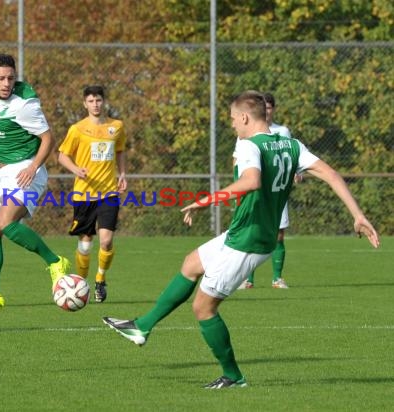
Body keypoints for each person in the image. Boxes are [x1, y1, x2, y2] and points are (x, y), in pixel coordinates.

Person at [102, 90, 379, 389]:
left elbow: (251, 181)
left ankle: (233, 376)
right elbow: (332, 174)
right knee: (191, 263)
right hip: (248, 231)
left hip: (250, 239)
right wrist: (358, 215)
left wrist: (205, 200)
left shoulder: (249, 145)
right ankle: (142, 327)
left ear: (245, 117)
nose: (232, 124)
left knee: (203, 308)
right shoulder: (291, 144)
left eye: (233, 119)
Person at [0, 53, 70, 315]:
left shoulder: (25, 104)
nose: (6, 83)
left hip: (25, 169)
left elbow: (48, 139)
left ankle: (55, 262)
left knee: (7, 223)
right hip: (0, 173)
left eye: (11, 78)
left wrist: (33, 167)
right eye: (0, 78)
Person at [58, 85, 127, 303]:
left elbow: (120, 151)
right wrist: (76, 169)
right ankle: (81, 283)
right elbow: (62, 156)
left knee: (106, 241)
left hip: (108, 193)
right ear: (84, 104)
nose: (95, 104)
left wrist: (123, 174)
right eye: (91, 101)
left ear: (103, 102)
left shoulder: (116, 127)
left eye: (98, 100)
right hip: (84, 194)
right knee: (85, 245)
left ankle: (100, 279)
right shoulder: (77, 129)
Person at [240, 92, 293, 289]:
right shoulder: (248, 132)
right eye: (264, 107)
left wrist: (296, 172)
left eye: (270, 107)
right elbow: (237, 158)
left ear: (273, 109)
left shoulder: (282, 131)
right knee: (253, 232)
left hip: (277, 192)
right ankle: (248, 279)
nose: (267, 110)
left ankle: (277, 278)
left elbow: (289, 157)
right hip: (256, 191)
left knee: (278, 234)